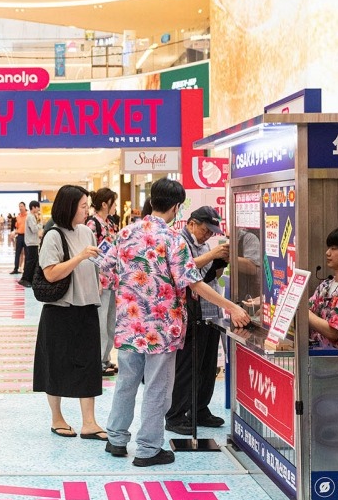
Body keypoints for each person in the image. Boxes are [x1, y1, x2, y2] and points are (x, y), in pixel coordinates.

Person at [102, 179, 250, 466]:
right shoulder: (172, 239)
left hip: (129, 323)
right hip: (161, 328)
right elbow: (192, 282)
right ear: (176, 207)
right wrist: (230, 306)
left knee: (126, 381)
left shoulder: (124, 232)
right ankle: (147, 449)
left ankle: (117, 439)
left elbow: (106, 268)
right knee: (158, 386)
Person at [33, 185, 106, 440]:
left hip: (86, 306)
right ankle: (57, 418)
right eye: (83, 206)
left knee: (89, 365)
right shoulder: (53, 235)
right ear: (69, 207)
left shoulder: (87, 232)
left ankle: (89, 422)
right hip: (60, 310)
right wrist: (80, 257)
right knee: (56, 364)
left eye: (88, 206)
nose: (87, 210)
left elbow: (94, 262)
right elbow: (51, 273)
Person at [165, 206, 233, 434]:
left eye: (211, 232)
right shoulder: (178, 241)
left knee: (207, 366)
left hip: (210, 311)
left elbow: (206, 274)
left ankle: (199, 408)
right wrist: (212, 255)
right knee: (187, 367)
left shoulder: (203, 244)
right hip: (190, 314)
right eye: (205, 230)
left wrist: (218, 264)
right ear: (192, 222)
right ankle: (176, 415)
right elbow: (184, 272)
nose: (207, 236)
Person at [86, 188, 119, 376]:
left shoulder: (110, 223)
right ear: (105, 204)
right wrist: (95, 278)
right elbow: (89, 253)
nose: (115, 206)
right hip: (100, 281)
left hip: (113, 280)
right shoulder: (93, 224)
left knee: (110, 322)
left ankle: (106, 358)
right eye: (113, 202)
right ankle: (97, 361)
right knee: (100, 323)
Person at [18, 201, 43, 288]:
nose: (38, 209)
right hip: (31, 243)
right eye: (37, 207)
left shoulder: (33, 217)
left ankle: (30, 279)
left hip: (34, 242)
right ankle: (25, 279)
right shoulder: (30, 217)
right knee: (30, 261)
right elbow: (34, 229)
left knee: (33, 261)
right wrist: (40, 224)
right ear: (33, 207)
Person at [11, 203, 28, 273]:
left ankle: (26, 269)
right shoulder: (18, 217)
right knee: (17, 253)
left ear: (25, 207)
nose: (20, 208)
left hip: (27, 236)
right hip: (19, 236)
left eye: (21, 206)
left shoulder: (28, 216)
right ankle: (16, 269)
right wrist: (14, 233)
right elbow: (17, 227)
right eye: (19, 206)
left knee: (27, 253)